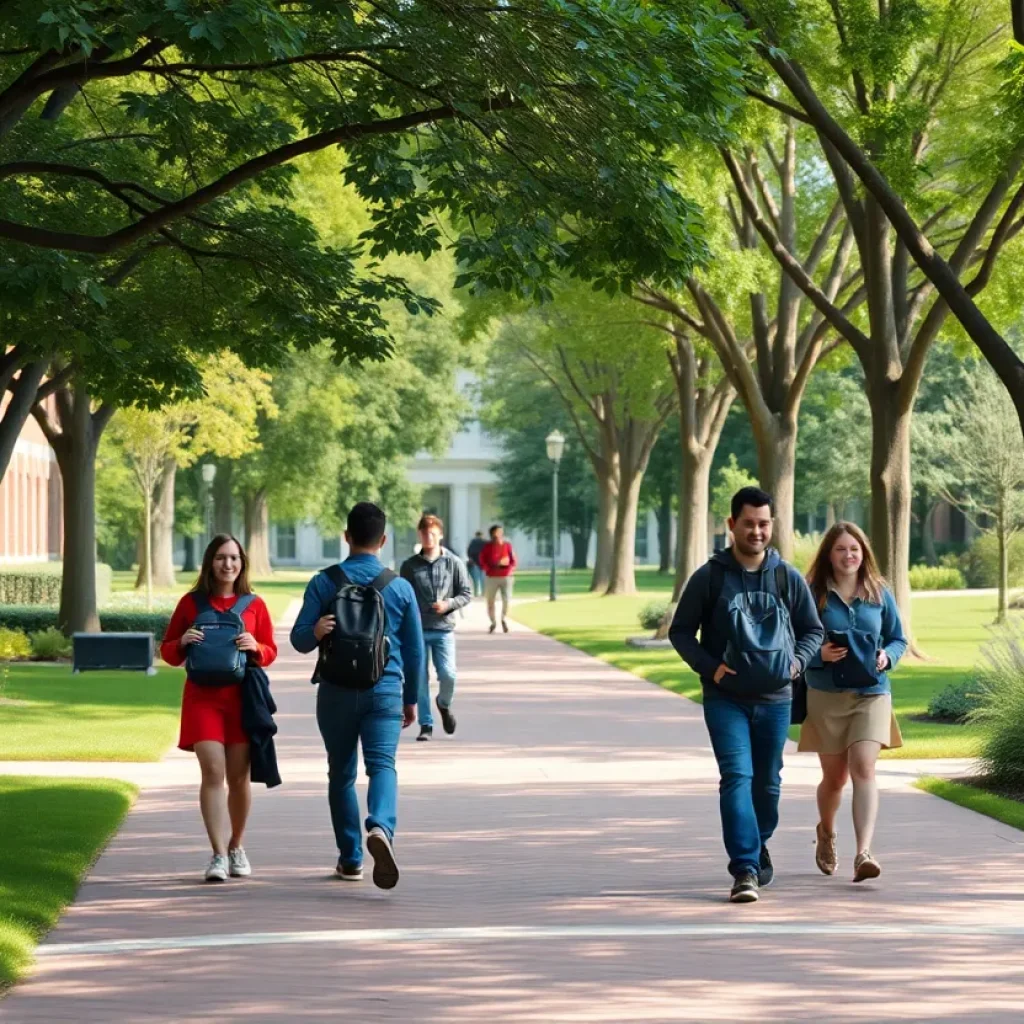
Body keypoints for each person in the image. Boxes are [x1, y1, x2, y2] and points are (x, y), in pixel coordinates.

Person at [669, 487, 824, 904]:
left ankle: (759, 841)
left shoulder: (785, 576)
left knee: (768, 784)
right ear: (731, 524)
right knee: (737, 776)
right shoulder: (710, 576)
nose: (757, 531)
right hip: (726, 699)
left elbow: (813, 630)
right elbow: (680, 632)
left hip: (776, 699)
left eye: (764, 523)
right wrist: (711, 667)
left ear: (771, 525)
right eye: (749, 523)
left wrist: (795, 665)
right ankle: (745, 868)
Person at [290, 501, 424, 889]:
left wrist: (317, 631)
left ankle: (350, 859)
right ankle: (381, 826)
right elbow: (415, 651)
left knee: (341, 774)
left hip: (334, 692)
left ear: (346, 537)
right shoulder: (399, 587)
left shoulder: (323, 583)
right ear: (383, 540)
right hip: (384, 689)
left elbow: (300, 641)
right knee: (382, 765)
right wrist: (411, 699)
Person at [160, 534, 278, 883]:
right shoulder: (190, 603)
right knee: (212, 771)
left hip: (241, 699)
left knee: (239, 777)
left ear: (242, 564)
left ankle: (236, 846)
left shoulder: (254, 604)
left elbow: (271, 652)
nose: (228, 564)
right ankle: (216, 854)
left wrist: (255, 645)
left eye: (234, 558)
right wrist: (182, 641)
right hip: (201, 698)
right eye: (221, 558)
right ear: (210, 562)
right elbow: (168, 652)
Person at [801, 522, 907, 883]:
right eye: (841, 549)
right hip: (826, 695)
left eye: (855, 549)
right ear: (828, 555)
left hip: (872, 692)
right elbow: (793, 640)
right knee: (835, 778)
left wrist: (886, 658)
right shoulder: (812, 593)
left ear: (864, 554)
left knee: (864, 767)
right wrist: (819, 655)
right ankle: (827, 832)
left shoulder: (879, 592)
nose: (849, 555)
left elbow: (897, 639)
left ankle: (864, 852)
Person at [401, 514, 472, 742]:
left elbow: (466, 593)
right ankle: (426, 725)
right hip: (418, 630)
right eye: (424, 533)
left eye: (432, 533)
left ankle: (444, 704)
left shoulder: (454, 563)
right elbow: (403, 598)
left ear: (440, 534)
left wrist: (448, 604)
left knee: (448, 674)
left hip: (444, 629)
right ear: (419, 535)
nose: (428, 537)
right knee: (420, 679)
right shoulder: (410, 566)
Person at [479, 523, 517, 634]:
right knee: (490, 601)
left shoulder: (507, 546)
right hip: (492, 577)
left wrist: (510, 569)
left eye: (501, 532)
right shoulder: (487, 547)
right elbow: (482, 560)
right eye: (497, 532)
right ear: (492, 534)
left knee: (506, 599)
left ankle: (503, 619)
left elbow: (513, 560)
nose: (499, 534)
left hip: (506, 576)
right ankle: (493, 622)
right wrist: (488, 569)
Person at [466, 531, 486, 597]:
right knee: (483, 579)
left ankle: (476, 593)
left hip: (475, 563)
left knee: (476, 580)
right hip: (483, 563)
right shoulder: (485, 542)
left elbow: (469, 552)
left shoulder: (473, 542)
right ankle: (483, 593)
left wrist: (470, 558)